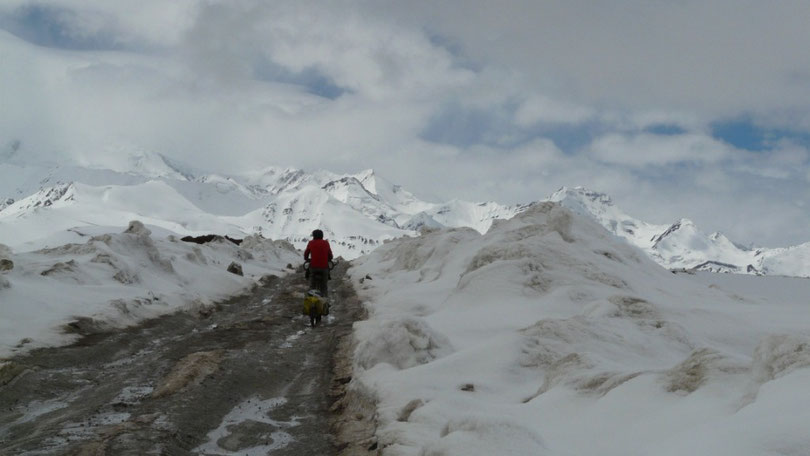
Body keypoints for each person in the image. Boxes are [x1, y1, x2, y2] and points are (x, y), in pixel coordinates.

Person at [304, 229, 333, 296]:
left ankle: (310, 297)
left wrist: (306, 259)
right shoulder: (326, 243)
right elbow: (330, 255)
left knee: (312, 285)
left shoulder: (311, 243)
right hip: (324, 267)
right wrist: (328, 259)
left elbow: (306, 253)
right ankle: (325, 299)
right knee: (324, 286)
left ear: (314, 236)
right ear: (322, 236)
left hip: (313, 267)